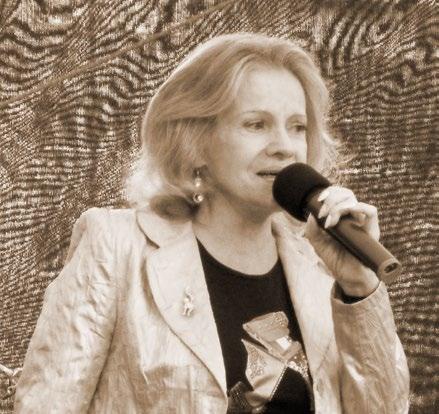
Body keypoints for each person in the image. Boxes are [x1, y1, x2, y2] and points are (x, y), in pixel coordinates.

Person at [14, 33, 410, 413]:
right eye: (256, 124)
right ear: (196, 142)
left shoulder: (322, 269)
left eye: (297, 127)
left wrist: (359, 288)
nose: (284, 147)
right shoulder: (116, 247)